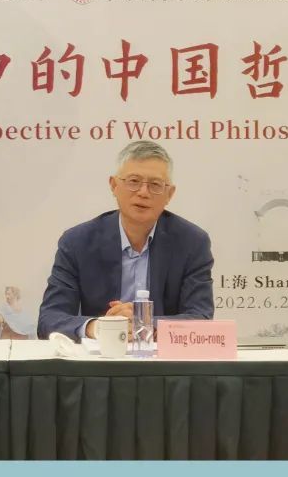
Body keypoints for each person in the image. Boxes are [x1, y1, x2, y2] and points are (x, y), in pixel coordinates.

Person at [37, 140, 214, 340]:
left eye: (155, 185)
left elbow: (201, 318)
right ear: (114, 186)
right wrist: (98, 327)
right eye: (133, 181)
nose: (143, 192)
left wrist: (142, 323)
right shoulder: (77, 242)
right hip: (99, 355)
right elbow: (49, 319)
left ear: (169, 194)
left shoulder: (192, 243)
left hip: (162, 357)